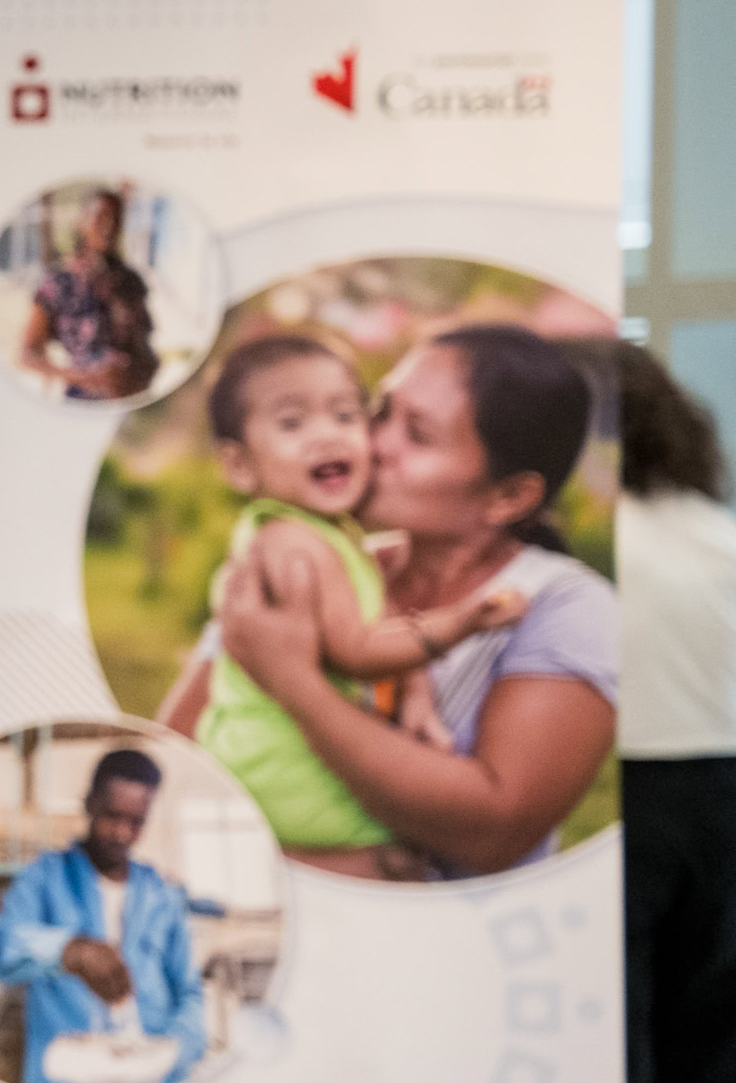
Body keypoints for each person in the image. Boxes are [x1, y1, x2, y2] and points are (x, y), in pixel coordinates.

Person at [211, 321, 614, 878]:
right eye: (379, 412)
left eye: (417, 435)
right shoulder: (312, 560)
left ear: (508, 496)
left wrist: (297, 685)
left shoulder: (565, 607)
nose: (372, 444)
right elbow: (182, 751)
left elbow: (493, 832)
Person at [180, 333, 527, 862]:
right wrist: (461, 622)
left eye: (345, 416)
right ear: (240, 466)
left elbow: (379, 615)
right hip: (282, 773)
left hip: (270, 757)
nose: (327, 437)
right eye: (292, 423)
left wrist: (414, 688)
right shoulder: (296, 549)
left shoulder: (326, 535)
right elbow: (358, 651)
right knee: (406, 845)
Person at [617, 345, 736, 1083]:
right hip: (723, 804)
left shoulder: (584, 550)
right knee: (708, 1074)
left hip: (619, 805)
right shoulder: (719, 538)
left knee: (616, 1074)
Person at [0, 749, 208, 1083]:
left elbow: (190, 993)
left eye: (136, 821)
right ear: (89, 804)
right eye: (111, 816)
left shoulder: (162, 895)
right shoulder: (46, 877)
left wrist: (172, 1052)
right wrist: (68, 951)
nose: (122, 832)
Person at [17, 186, 159, 401]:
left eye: (116, 219)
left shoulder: (130, 282)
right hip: (79, 402)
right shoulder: (58, 282)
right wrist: (81, 377)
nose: (108, 226)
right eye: (100, 216)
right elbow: (28, 354)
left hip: (125, 403)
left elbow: (148, 357)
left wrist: (132, 376)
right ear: (82, 221)